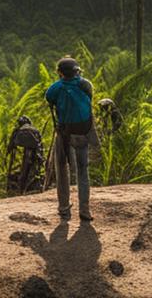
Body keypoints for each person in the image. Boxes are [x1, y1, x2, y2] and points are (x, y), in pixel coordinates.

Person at [45, 57, 95, 222]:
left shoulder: (56, 88)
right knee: (83, 171)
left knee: (62, 169)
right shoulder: (85, 84)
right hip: (83, 132)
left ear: (60, 73)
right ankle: (85, 210)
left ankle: (64, 209)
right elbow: (90, 97)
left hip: (64, 134)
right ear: (76, 72)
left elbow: (49, 98)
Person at [6, 116, 45, 195]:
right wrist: (41, 157)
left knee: (25, 167)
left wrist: (8, 151)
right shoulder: (35, 130)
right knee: (33, 167)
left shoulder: (18, 130)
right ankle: (32, 185)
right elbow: (40, 145)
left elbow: (11, 144)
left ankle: (20, 188)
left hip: (26, 150)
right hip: (33, 150)